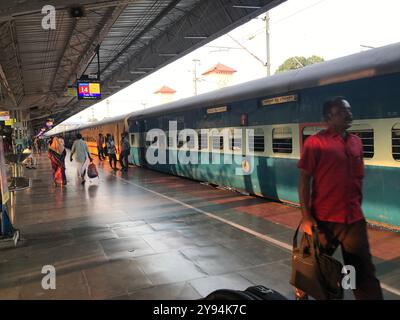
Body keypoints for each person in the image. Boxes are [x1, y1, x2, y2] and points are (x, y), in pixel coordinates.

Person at [296, 96, 383, 300]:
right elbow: (304, 179)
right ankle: (301, 293)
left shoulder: (355, 142)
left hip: (353, 220)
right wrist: (306, 216)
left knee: (361, 270)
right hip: (323, 220)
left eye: (349, 110)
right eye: (343, 111)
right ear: (329, 117)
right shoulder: (315, 143)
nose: (349, 113)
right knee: (311, 265)